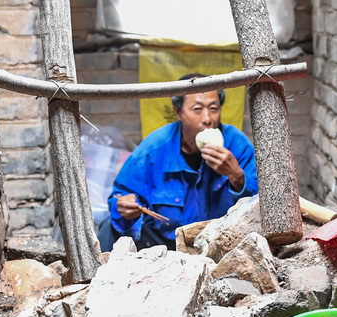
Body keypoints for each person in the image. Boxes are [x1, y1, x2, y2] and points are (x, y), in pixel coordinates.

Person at [97, 73, 258, 252]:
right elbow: (121, 197)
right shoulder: (154, 149)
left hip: (222, 245)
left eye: (214, 108)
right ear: (178, 112)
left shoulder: (236, 145)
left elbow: (259, 204)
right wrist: (125, 208)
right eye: (197, 109)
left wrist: (237, 176)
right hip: (166, 246)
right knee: (108, 227)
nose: (207, 119)